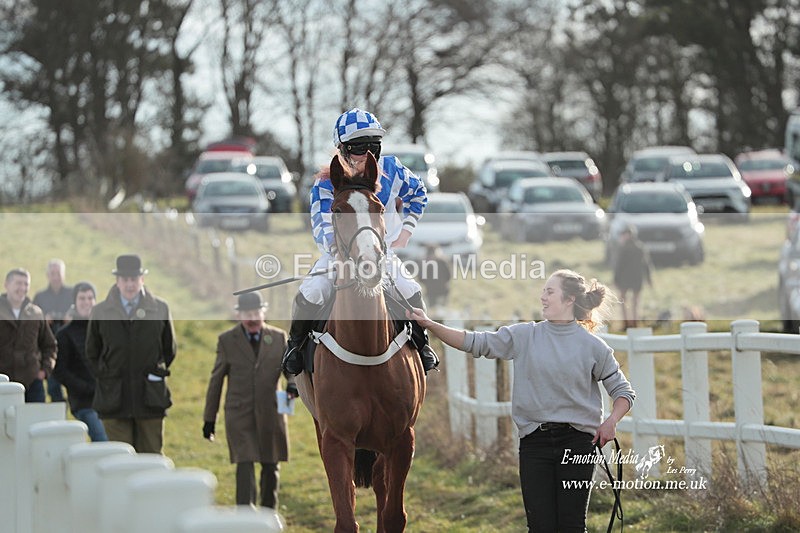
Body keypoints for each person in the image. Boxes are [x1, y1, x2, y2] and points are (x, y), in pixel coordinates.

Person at [407, 269, 636, 532]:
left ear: (570, 299)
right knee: (539, 527)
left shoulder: (593, 347)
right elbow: (475, 342)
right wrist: (432, 325)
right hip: (534, 443)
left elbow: (623, 392)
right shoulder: (525, 335)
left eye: (550, 291)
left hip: (578, 444)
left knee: (571, 526)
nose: (543, 297)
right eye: (543, 291)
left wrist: (611, 422)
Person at [281, 107, 438, 375]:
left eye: (374, 146)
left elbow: (419, 194)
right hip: (339, 255)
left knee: (411, 290)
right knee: (311, 292)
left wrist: (406, 230)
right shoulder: (325, 182)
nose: (367, 154)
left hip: (380, 253)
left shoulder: (393, 170)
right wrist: (341, 254)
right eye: (358, 147)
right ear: (342, 149)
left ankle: (422, 345)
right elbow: (320, 224)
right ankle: (295, 347)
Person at [202, 292, 296, 509]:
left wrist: (292, 384)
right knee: (244, 463)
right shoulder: (227, 341)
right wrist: (209, 419)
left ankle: (268, 513)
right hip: (239, 413)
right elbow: (216, 382)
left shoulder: (279, 337)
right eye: (247, 314)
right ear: (238, 315)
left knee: (271, 464)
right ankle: (245, 515)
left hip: (271, 412)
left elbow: (290, 369)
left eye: (256, 313)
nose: (252, 318)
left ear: (264, 312)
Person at [86, 254, 176, 454]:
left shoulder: (160, 308)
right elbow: (92, 352)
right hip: (114, 399)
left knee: (151, 458)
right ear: (117, 282)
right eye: (125, 280)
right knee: (120, 459)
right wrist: (107, 374)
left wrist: (154, 371)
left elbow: (169, 350)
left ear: (142, 280)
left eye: (134, 279)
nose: (130, 285)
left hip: (150, 398)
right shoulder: (100, 311)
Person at [53, 282, 108, 442]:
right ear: (75, 302)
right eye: (82, 298)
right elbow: (60, 371)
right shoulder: (65, 335)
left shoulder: (105, 329)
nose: (86, 302)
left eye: (90, 298)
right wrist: (85, 388)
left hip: (110, 400)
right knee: (102, 439)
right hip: (84, 402)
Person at [0, 268, 57, 402]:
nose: (23, 288)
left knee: (35, 422)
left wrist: (44, 371)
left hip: (33, 385)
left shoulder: (36, 313)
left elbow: (50, 345)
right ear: (6, 285)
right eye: (18, 283)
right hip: (3, 386)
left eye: (26, 284)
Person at [33, 258, 73, 402]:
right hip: (49, 346)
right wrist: (44, 319)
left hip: (70, 345)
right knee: (53, 387)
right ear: (47, 275)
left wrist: (70, 318)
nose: (56, 277)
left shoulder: (72, 293)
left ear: (64, 274)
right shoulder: (40, 297)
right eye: (52, 273)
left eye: (58, 273)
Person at [613, 225, 653, 328]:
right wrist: (648, 279)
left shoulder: (623, 248)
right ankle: (635, 322)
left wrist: (616, 279)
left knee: (623, 300)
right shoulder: (640, 248)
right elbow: (646, 265)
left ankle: (626, 322)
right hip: (637, 279)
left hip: (625, 279)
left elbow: (618, 265)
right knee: (635, 302)